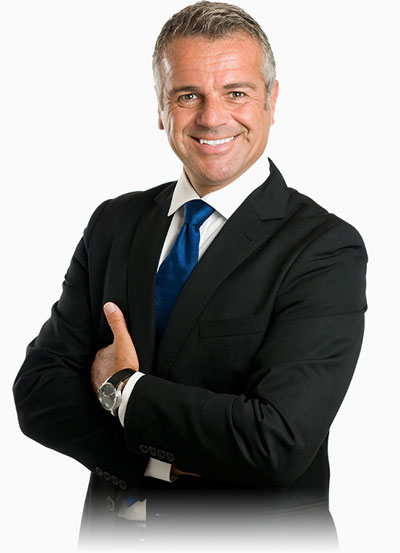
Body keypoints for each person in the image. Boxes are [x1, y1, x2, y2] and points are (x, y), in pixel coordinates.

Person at [13, 1, 367, 550]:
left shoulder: (324, 248)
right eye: (187, 96)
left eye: (236, 93)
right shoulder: (115, 223)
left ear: (272, 101)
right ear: (162, 107)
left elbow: (277, 441)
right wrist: (162, 462)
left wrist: (122, 390)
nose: (211, 117)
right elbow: (38, 393)